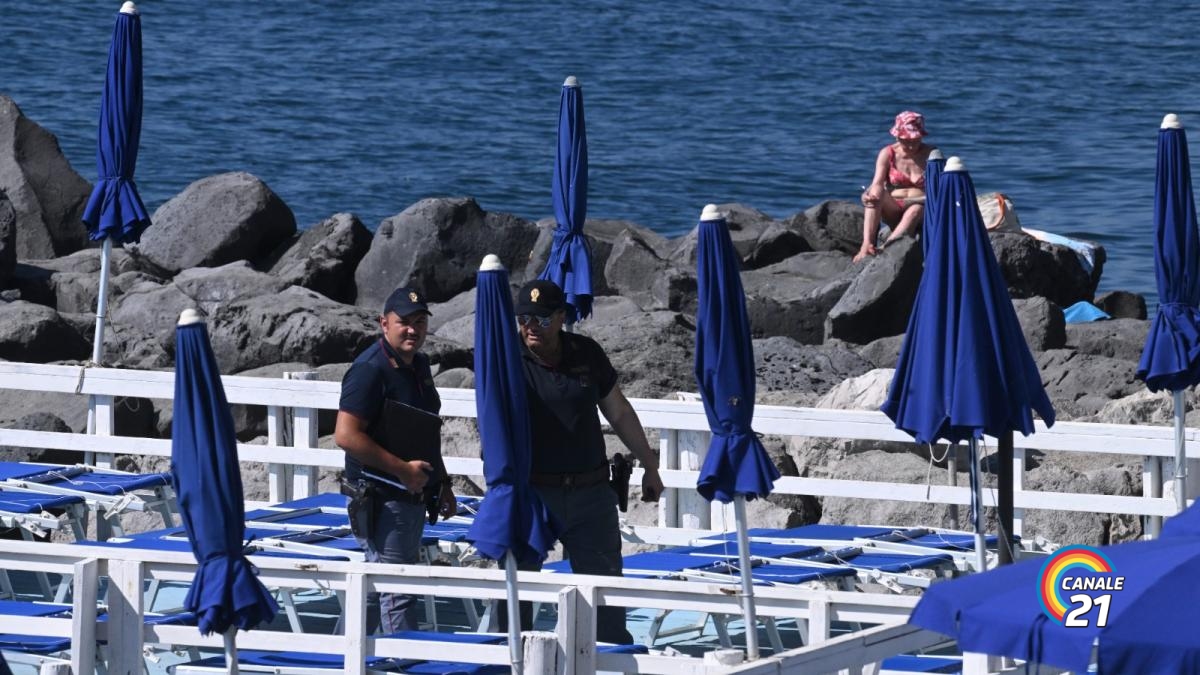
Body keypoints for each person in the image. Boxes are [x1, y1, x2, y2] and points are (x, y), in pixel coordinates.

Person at [511, 279, 665, 644]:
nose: (531, 326)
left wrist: (650, 465)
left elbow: (619, 411)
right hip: (532, 493)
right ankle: (508, 661)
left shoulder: (586, 352)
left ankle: (610, 660)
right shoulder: (506, 359)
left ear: (561, 317)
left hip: (590, 492)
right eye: (524, 318)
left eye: (541, 319)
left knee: (605, 593)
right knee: (516, 592)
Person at [334, 286, 457, 633]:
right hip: (380, 497)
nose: (413, 330)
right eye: (404, 322)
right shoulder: (368, 370)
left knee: (375, 592)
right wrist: (402, 470)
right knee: (396, 592)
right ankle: (406, 659)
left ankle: (338, 656)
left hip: (412, 494)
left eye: (420, 322)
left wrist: (442, 483)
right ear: (384, 323)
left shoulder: (419, 365)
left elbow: (424, 430)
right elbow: (345, 435)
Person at [854, 111, 937, 262]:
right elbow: (877, 183)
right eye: (906, 140)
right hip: (894, 207)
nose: (911, 145)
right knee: (876, 192)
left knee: (915, 210)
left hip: (921, 206)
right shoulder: (888, 153)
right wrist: (867, 195)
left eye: (916, 140)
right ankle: (867, 244)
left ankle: (887, 248)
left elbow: (940, 188)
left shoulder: (931, 154)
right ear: (897, 136)